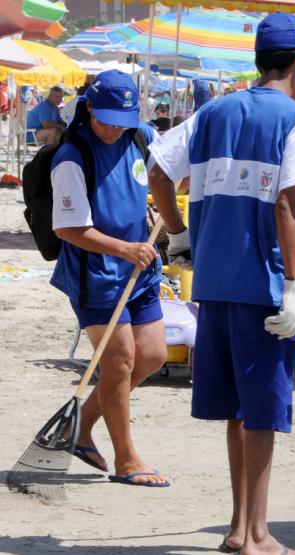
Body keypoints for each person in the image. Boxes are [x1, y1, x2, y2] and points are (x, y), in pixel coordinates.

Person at [149, 12, 295, 554]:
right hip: (264, 285)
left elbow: (156, 170)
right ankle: (258, 536)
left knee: (236, 410)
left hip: (215, 283)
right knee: (263, 412)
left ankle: (237, 528)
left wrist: (178, 236)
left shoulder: (211, 112)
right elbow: (290, 204)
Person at [50, 71, 168, 486]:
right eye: (106, 119)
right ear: (88, 110)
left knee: (151, 355)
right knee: (119, 359)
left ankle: (80, 427)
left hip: (140, 269)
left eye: (122, 119)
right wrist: (124, 248)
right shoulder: (71, 158)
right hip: (95, 272)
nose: (114, 127)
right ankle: (127, 459)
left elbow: (164, 176)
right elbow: (68, 229)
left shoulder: (139, 137)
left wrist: (154, 210)